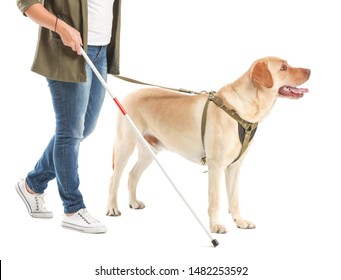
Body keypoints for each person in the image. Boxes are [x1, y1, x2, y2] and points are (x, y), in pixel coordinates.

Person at [15, 0, 121, 234]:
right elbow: (26, 2)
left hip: (101, 49)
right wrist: (61, 27)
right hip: (69, 50)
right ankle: (73, 208)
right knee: (70, 132)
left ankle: (32, 185)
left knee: (84, 127)